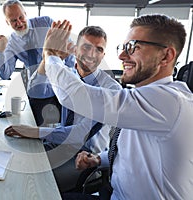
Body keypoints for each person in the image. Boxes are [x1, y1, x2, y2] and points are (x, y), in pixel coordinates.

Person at [41, 15, 193, 199]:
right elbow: (130, 153)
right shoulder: (141, 101)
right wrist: (99, 159)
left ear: (166, 56)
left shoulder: (169, 100)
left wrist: (50, 54)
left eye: (134, 47)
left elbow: (75, 95)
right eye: (124, 47)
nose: (122, 56)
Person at [5, 26, 122, 192]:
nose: (92, 54)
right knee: (17, 159)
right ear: (74, 49)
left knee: (32, 180)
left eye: (99, 49)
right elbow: (36, 91)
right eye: (87, 46)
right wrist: (46, 60)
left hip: (83, 157)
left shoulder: (110, 89)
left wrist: (36, 131)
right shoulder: (68, 74)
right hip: (58, 143)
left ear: (103, 55)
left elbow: (80, 134)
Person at [0, 0, 75, 126]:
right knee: (38, 132)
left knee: (65, 130)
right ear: (7, 22)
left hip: (61, 87)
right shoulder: (11, 43)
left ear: (25, 13)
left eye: (21, 17)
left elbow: (71, 58)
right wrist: (0, 50)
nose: (19, 23)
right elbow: (4, 75)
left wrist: (59, 58)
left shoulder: (45, 23)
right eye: (13, 20)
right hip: (39, 92)